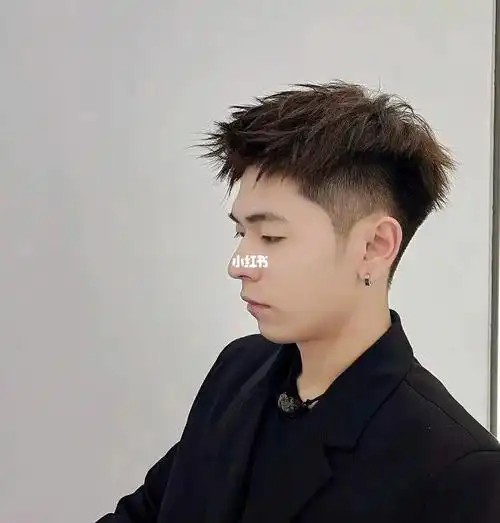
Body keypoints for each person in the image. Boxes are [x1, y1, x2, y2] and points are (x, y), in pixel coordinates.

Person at [96, 81, 500, 523]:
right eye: (241, 233)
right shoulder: (238, 371)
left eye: (271, 236)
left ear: (374, 246)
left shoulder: (457, 470)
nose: (239, 264)